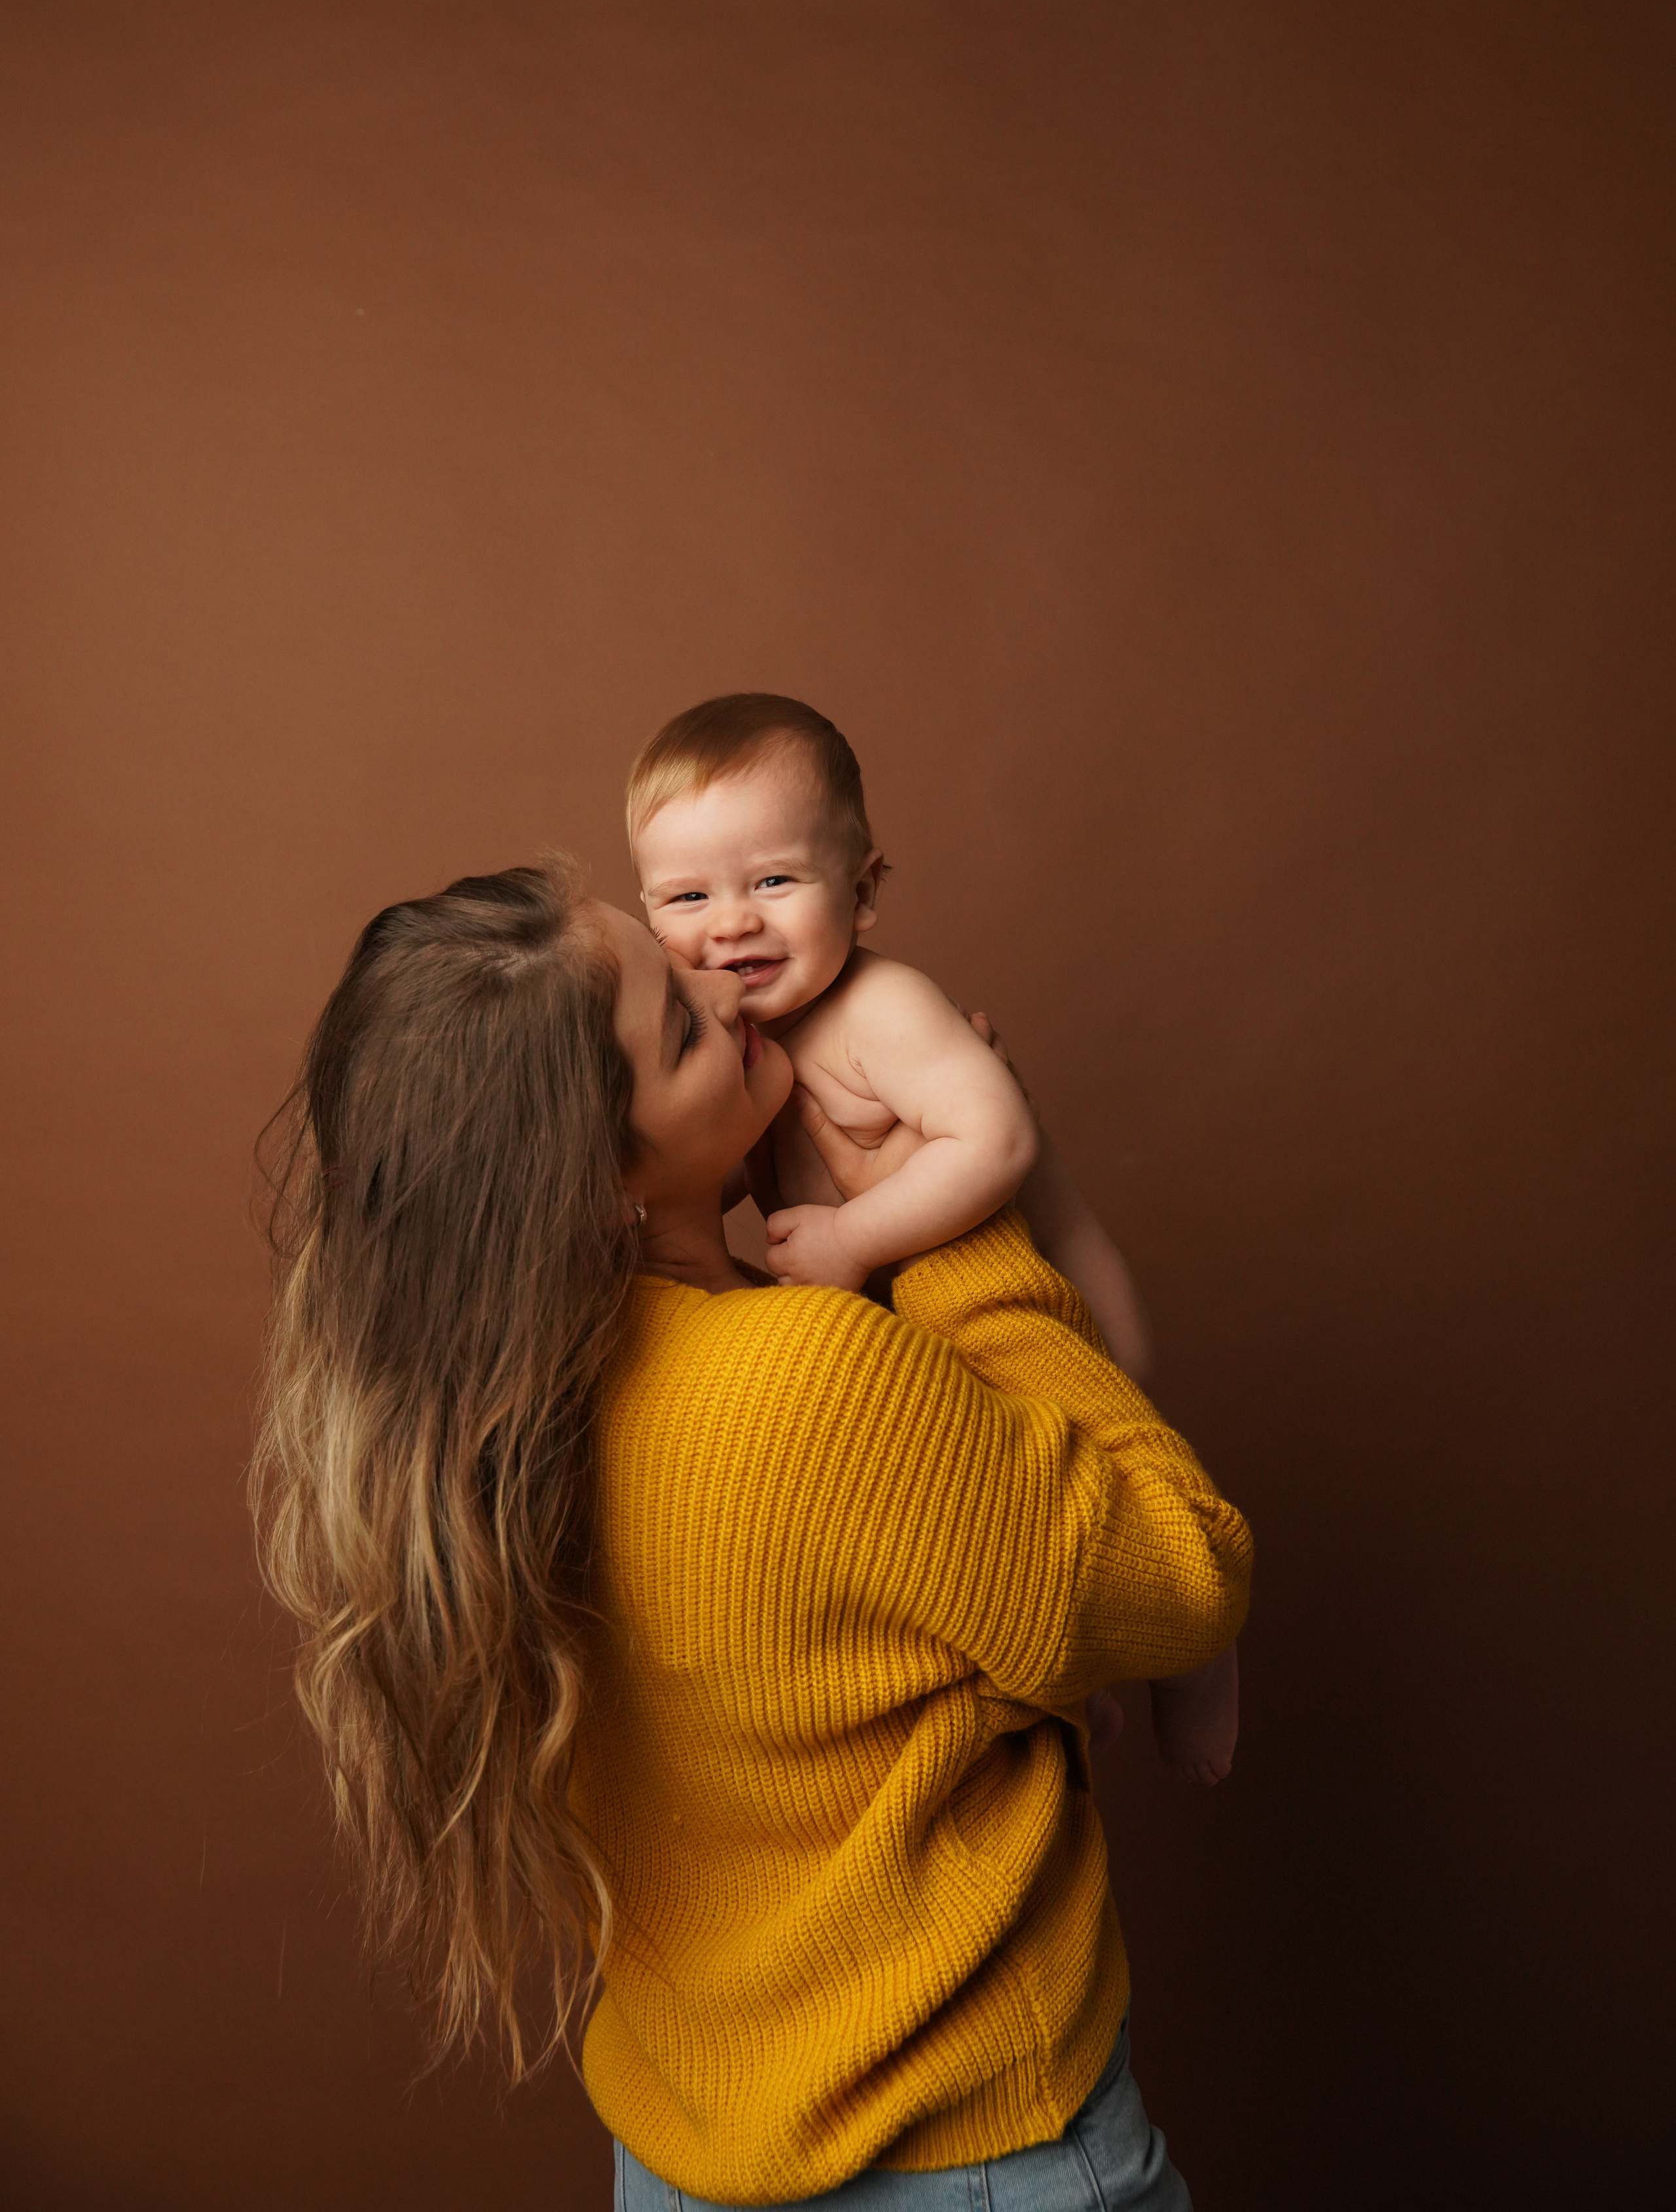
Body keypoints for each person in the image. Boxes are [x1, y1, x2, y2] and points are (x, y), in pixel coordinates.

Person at [252, 857, 1252, 2211]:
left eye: (672, 957)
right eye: (679, 1027)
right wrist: (948, 1223)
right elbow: (1185, 1575)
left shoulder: (493, 1435)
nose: (725, 983)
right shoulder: (804, 1385)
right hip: (971, 2160)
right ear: (593, 1184)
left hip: (682, 2162)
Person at [628, 693, 1239, 1789]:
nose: (731, 925)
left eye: (774, 882)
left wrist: (854, 1237)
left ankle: (1198, 1653)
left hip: (1066, 1316)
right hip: (925, 1341)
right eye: (688, 897)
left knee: (1101, 1507)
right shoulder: (746, 1037)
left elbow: (995, 1138)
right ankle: (1069, 1686)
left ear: (862, 892)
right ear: (648, 912)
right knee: (990, 1541)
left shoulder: (884, 1009)